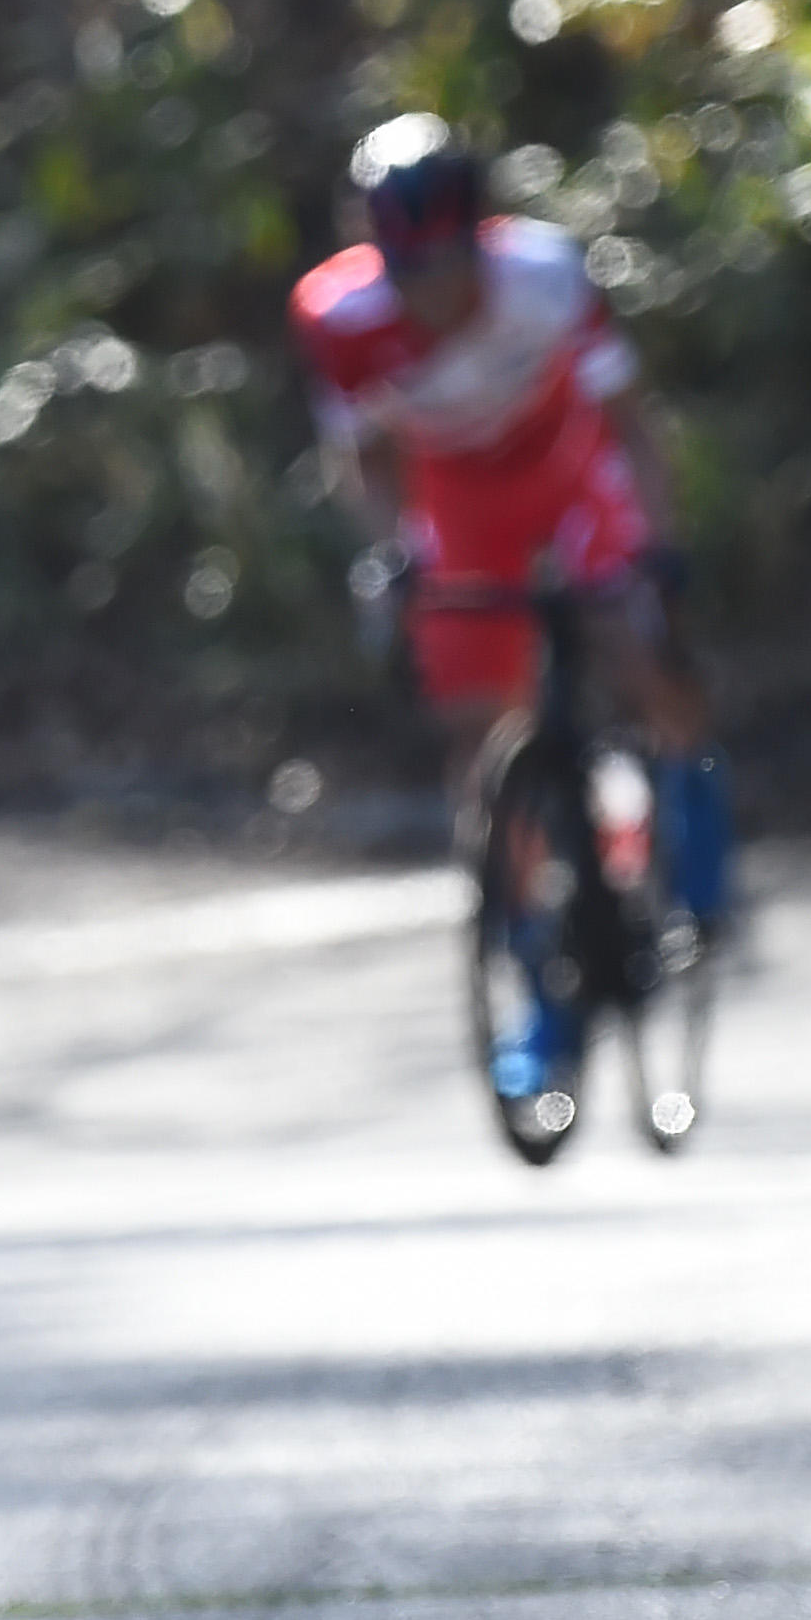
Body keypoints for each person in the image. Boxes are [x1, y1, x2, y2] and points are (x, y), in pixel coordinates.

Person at [290, 113, 734, 1100]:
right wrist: (394, 553)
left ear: (482, 239)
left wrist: (656, 551)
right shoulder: (337, 316)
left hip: (569, 471)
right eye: (411, 272)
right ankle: (540, 979)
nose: (434, 294)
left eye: (449, 266)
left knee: (632, 640)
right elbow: (362, 459)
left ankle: (695, 809)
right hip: (457, 498)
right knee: (475, 737)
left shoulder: (544, 274)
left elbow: (630, 423)